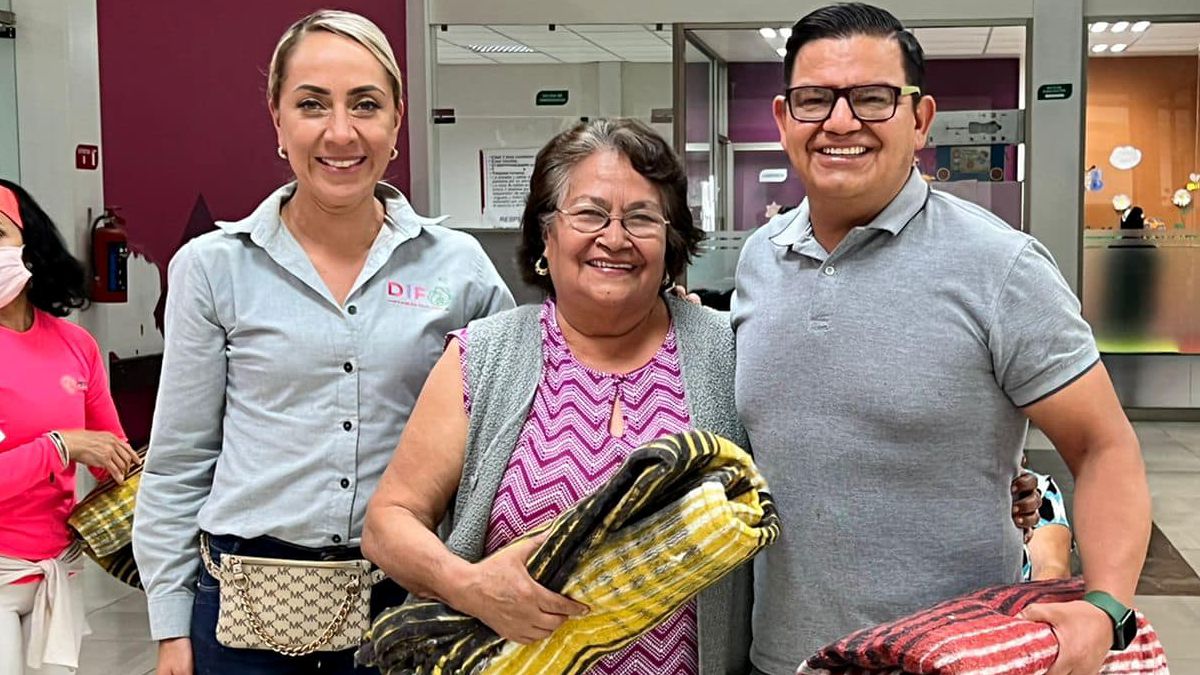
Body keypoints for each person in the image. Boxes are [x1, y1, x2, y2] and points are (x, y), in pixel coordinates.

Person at [731, 4, 1150, 675]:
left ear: (920, 119)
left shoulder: (1000, 265)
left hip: (956, 658)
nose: (840, 121)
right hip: (782, 658)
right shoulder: (758, 260)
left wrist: (1105, 608)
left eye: (872, 98)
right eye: (814, 100)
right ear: (784, 119)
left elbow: (1103, 445)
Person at [132, 10, 514, 675]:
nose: (341, 132)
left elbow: (524, 401)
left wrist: (654, 314)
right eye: (312, 104)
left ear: (396, 121)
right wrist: (170, 628)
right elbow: (178, 463)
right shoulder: (213, 268)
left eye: (365, 104)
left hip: (409, 601)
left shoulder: (459, 268)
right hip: (246, 614)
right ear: (278, 121)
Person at [361, 118, 752, 675]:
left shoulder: (729, 350)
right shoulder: (484, 355)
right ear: (547, 235)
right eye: (590, 214)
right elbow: (387, 523)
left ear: (670, 242)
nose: (614, 238)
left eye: (641, 217)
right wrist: (468, 585)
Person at [0, 179, 139, 674]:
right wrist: (60, 447)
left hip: (58, 569)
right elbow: (73, 447)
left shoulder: (75, 345)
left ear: (30, 245)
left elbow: (111, 457)